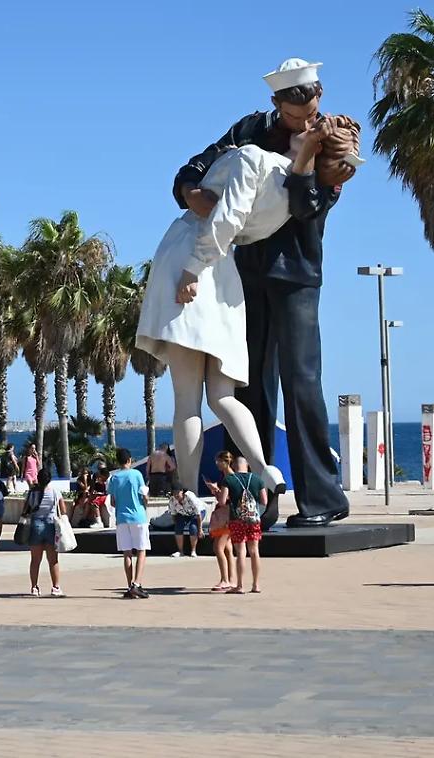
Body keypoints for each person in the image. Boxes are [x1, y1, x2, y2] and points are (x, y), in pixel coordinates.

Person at [169, 58, 357, 529]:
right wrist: (192, 191)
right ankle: (256, 499)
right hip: (243, 272)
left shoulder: (332, 137)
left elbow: (308, 205)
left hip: (296, 272)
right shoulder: (250, 128)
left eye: (312, 105)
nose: (307, 117)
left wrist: (307, 154)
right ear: (277, 103)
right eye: (296, 112)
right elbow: (195, 166)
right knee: (247, 384)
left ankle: (322, 497)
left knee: (301, 381)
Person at [218, 456, 267, 594]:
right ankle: (256, 585)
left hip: (237, 519)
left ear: (233, 466)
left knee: (240, 552)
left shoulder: (229, 480)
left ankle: (240, 586)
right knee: (254, 551)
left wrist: (219, 492)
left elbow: (222, 502)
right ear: (248, 466)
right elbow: (264, 501)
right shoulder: (257, 479)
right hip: (254, 519)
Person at [107, 447, 150, 599]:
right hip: (138, 517)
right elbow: (144, 495)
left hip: (121, 518)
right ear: (129, 460)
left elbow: (112, 501)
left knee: (127, 553)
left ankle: (129, 584)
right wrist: (144, 504)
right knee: (141, 550)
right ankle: (137, 584)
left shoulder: (114, 478)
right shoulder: (136, 474)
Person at [24, 468, 67, 597]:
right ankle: (55, 587)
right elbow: (63, 510)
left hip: (36, 525)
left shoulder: (32, 493)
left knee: (35, 560)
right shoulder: (55, 492)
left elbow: (25, 509)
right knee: (53, 559)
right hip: (50, 525)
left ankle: (34, 587)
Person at [205, 451, 237, 591]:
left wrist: (215, 490)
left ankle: (225, 579)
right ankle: (232, 579)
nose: (217, 464)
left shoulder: (227, 479)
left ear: (225, 462)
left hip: (225, 516)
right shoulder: (234, 477)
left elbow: (223, 501)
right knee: (228, 548)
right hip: (233, 515)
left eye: (218, 461)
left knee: (218, 548)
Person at [169, 484, 204, 558]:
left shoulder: (190, 497)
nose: (176, 495)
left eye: (177, 492)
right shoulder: (172, 500)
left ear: (182, 492)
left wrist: (200, 529)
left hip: (198, 512)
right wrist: (177, 525)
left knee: (193, 527)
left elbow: (198, 514)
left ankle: (193, 551)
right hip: (183, 513)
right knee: (178, 527)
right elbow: (173, 515)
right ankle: (180, 551)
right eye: (174, 493)